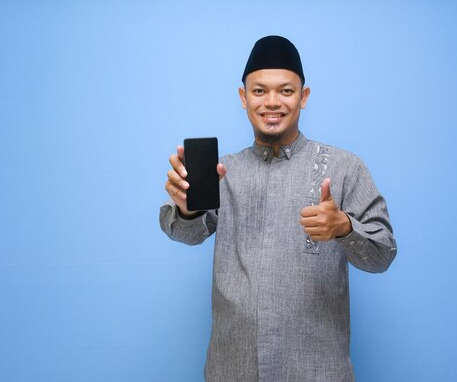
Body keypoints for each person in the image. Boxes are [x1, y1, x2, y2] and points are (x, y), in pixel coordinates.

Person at [160, 35, 397, 382]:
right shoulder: (222, 173)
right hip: (232, 370)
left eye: (286, 91)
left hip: (316, 372)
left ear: (304, 97)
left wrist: (344, 227)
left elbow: (383, 254)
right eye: (259, 91)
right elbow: (185, 233)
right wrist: (187, 210)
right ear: (243, 97)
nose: (272, 102)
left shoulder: (345, 168)